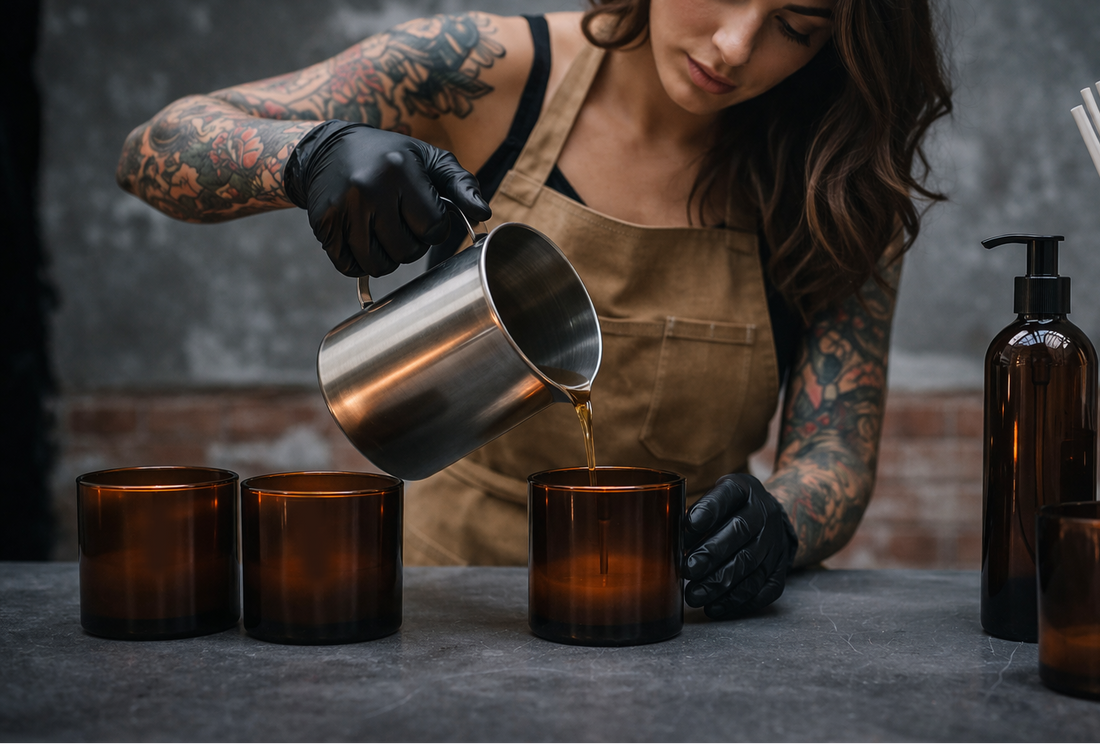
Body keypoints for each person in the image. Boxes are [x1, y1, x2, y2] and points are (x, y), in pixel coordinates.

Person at [116, 0, 952, 618]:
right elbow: (156, 149)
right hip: (433, 611)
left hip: (666, 627)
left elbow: (834, 452)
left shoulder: (836, 186)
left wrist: (783, 523)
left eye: (797, 27)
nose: (735, 46)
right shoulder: (485, 70)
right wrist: (309, 156)